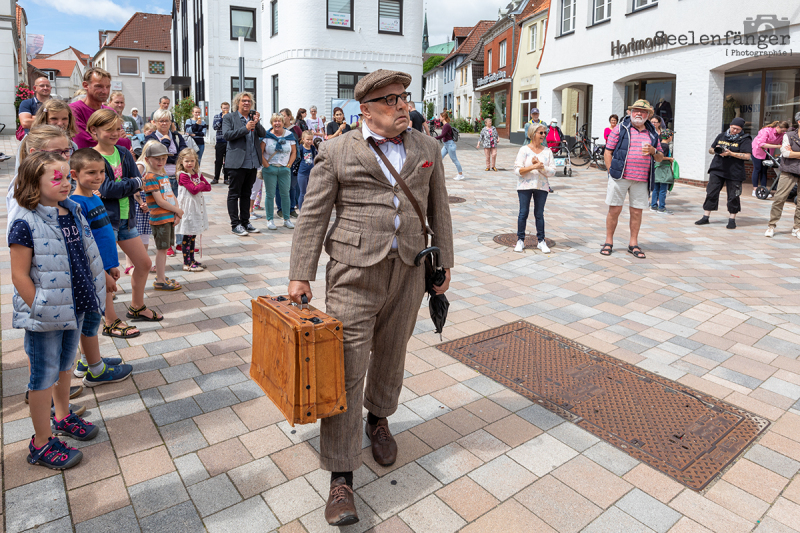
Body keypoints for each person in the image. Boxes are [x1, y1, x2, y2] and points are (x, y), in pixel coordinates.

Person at [287, 69, 453, 527]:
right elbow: (313, 214)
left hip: (410, 270)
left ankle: (379, 419)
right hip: (353, 274)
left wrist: (444, 265)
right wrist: (300, 275)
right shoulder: (337, 150)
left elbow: (438, 207)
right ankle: (341, 475)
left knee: (392, 354)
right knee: (344, 368)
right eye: (390, 100)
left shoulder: (427, 147)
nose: (402, 105)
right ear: (366, 109)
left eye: (404, 97)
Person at [10, 152, 104, 469]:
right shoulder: (25, 222)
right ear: (33, 182)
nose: (66, 183)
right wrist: (40, 308)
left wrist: (100, 279)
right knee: (42, 377)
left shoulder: (73, 210)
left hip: (74, 306)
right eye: (57, 178)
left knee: (66, 367)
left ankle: (63, 416)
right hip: (45, 316)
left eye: (67, 177)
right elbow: (19, 274)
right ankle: (39, 442)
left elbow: (85, 253)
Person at [68, 148, 134, 385]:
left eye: (101, 172)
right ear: (74, 174)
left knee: (92, 317)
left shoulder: (94, 196)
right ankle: (95, 370)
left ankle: (87, 360)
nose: (98, 177)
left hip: (103, 267)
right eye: (91, 172)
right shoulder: (75, 204)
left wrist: (113, 264)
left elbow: (105, 237)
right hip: (92, 271)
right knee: (91, 319)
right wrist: (102, 273)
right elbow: (85, 245)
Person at [87, 110, 161, 323]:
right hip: (104, 221)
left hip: (127, 218)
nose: (115, 133)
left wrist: (124, 186)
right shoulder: (91, 157)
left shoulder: (124, 152)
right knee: (108, 271)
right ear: (94, 130)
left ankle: (137, 307)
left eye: (118, 129)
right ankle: (110, 319)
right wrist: (129, 185)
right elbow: (107, 187)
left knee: (144, 263)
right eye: (109, 129)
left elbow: (139, 182)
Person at [602, 99, 663, 259]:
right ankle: (609, 241)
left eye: (642, 112)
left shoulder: (653, 133)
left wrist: (653, 150)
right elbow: (607, 152)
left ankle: (633, 243)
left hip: (642, 179)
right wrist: (611, 173)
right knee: (614, 210)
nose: (638, 114)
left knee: (636, 212)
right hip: (620, 177)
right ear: (630, 112)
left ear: (648, 115)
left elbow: (660, 158)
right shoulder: (620, 128)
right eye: (636, 110)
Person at [695, 117, 752, 229]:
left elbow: (747, 156)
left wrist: (730, 153)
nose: (735, 131)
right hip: (717, 168)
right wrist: (716, 150)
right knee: (711, 192)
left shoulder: (745, 139)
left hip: (735, 171)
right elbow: (710, 150)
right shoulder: (721, 136)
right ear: (730, 125)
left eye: (738, 129)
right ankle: (706, 217)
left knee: (733, 196)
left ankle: (732, 219)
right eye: (733, 128)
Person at [141, 141, 183, 290]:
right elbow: (159, 201)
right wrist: (177, 211)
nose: (161, 162)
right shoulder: (151, 177)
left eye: (163, 158)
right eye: (157, 158)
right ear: (147, 159)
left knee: (165, 249)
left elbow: (170, 195)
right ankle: (160, 279)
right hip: (159, 219)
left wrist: (176, 211)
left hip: (168, 217)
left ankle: (162, 276)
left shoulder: (163, 175)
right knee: (162, 250)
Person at [223, 92, 266, 236]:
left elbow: (263, 134)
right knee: (234, 194)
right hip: (236, 162)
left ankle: (246, 222)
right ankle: (235, 224)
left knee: (247, 193)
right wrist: (245, 128)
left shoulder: (253, 118)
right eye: (244, 101)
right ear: (238, 102)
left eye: (249, 101)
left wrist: (257, 122)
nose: (246, 103)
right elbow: (227, 135)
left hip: (252, 162)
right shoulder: (229, 117)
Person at [145, 109, 188, 253]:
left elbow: (182, 155)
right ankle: (168, 244)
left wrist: (172, 157)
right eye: (161, 121)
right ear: (155, 123)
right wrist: (164, 143)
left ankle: (180, 242)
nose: (164, 123)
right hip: (160, 179)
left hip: (176, 177)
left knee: (178, 206)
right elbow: (158, 156)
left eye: (167, 120)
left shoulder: (176, 136)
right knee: (166, 210)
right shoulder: (150, 138)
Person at [513, 124, 555, 253]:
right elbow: (517, 170)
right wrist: (533, 166)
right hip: (524, 186)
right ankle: (520, 240)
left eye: (544, 133)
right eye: (541, 133)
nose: (543, 135)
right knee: (523, 213)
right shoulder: (524, 150)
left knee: (539, 214)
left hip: (541, 186)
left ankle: (541, 241)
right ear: (533, 134)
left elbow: (552, 171)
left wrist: (541, 167)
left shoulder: (548, 151)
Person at [70, 68, 129, 150]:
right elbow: (84, 144)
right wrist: (117, 141)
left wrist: (100, 139)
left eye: (108, 87)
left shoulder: (111, 111)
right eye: (99, 86)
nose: (105, 91)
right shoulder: (74, 110)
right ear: (86, 85)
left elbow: (126, 143)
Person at [766, 112, 800, 239]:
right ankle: (771, 225)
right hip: (789, 170)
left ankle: (797, 227)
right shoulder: (789, 135)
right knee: (779, 198)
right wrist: (790, 153)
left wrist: (794, 152)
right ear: (799, 122)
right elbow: (786, 153)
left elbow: (791, 153)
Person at [175, 148, 210, 271]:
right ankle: (186, 262)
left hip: (197, 207)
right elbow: (193, 190)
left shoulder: (197, 174)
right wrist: (200, 185)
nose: (190, 163)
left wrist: (198, 184)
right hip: (188, 208)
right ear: (181, 162)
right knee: (187, 236)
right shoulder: (182, 175)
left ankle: (192, 259)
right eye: (187, 161)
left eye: (192, 161)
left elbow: (209, 187)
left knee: (193, 234)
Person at [262, 113, 297, 230]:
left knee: (285, 194)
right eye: (274, 121)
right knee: (270, 194)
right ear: (272, 123)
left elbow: (294, 152)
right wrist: (266, 165)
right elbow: (260, 151)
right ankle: (270, 220)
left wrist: (288, 165)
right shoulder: (266, 136)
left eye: (279, 121)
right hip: (270, 168)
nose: (277, 123)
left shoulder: (289, 135)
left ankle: (286, 219)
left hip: (284, 169)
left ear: (283, 122)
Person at [751, 120, 789, 196]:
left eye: (784, 131)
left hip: (768, 153)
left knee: (764, 171)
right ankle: (755, 190)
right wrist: (777, 146)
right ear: (777, 127)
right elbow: (761, 144)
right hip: (758, 151)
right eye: (782, 130)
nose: (782, 132)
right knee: (757, 169)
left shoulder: (782, 134)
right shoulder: (766, 131)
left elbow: (783, 144)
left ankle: (763, 189)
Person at [649, 116, 675, 214]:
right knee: (663, 189)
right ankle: (661, 207)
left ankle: (653, 206)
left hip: (656, 169)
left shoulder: (659, 144)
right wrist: (670, 159)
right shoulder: (665, 146)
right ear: (669, 137)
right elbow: (661, 157)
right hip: (663, 169)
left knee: (655, 189)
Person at [435, 111, 464, 180]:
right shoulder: (445, 125)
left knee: (454, 159)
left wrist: (433, 138)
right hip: (446, 145)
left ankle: (460, 174)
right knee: (439, 158)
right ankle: (437, 174)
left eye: (440, 117)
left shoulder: (446, 125)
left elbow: (443, 135)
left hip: (450, 145)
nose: (439, 118)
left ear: (443, 117)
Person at [296, 130, 316, 210]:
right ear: (303, 139)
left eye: (311, 139)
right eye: (307, 139)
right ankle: (301, 210)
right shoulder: (300, 148)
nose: (309, 141)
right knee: (303, 193)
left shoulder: (313, 148)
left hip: (311, 174)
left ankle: (309, 209)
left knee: (311, 193)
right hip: (302, 173)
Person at [212, 102, 231, 185]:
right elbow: (215, 127)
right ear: (221, 108)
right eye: (224, 108)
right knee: (218, 161)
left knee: (227, 161)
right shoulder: (217, 116)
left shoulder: (231, 116)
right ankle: (216, 178)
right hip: (220, 141)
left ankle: (226, 178)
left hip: (229, 141)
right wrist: (222, 119)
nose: (225, 109)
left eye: (227, 108)